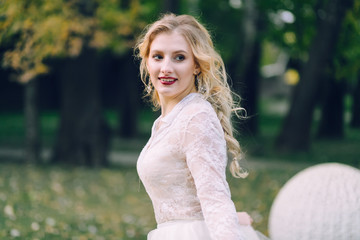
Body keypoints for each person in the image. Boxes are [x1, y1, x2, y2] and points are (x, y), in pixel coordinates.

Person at [135, 13, 268, 240]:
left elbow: (215, 198)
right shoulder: (168, 120)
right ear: (147, 61)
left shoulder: (195, 117)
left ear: (196, 65)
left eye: (179, 58)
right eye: (158, 56)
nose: (166, 68)